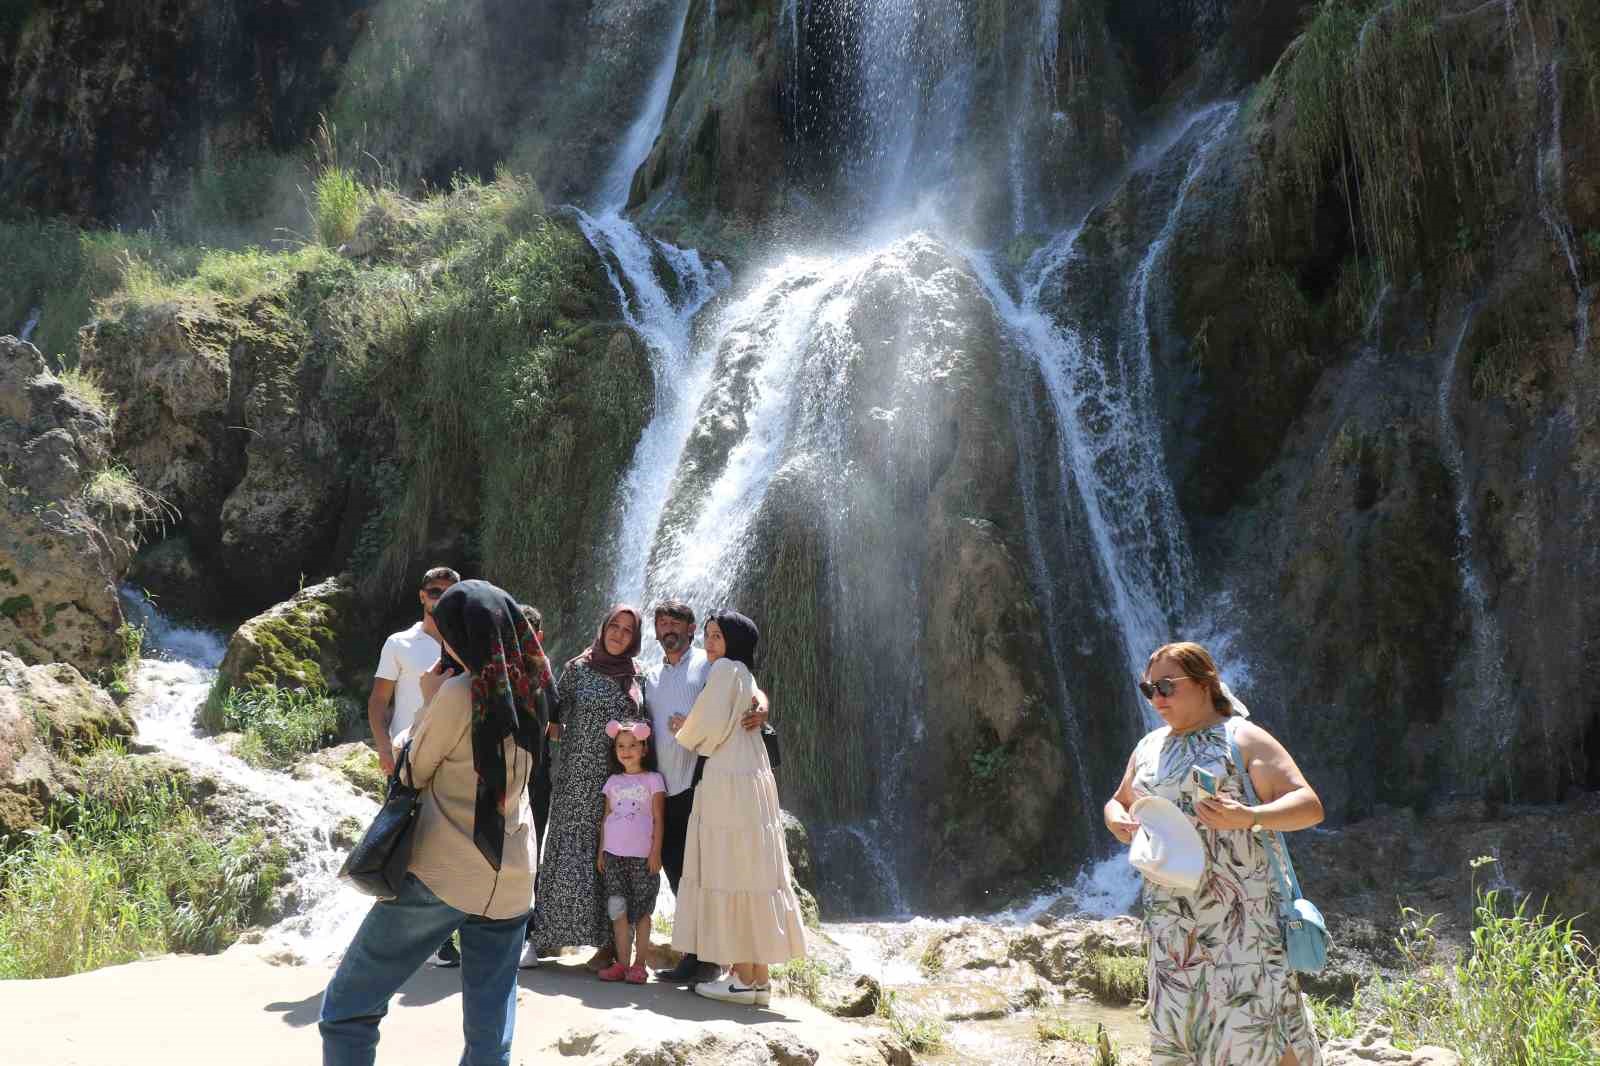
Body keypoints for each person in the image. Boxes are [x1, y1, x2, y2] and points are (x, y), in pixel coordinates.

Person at [320, 580, 549, 1066]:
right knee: (491, 1031)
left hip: (445, 871)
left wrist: (428, 698)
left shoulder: (460, 694)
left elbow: (411, 771)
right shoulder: (535, 688)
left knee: (347, 1008)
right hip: (512, 877)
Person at [1104, 641, 1325, 1066]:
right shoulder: (1148, 747)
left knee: (1259, 1026)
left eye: (1167, 686)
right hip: (1172, 927)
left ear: (1205, 682)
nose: (1157, 699)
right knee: (1184, 1032)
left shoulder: (1242, 738)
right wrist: (1118, 820)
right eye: (1148, 690)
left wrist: (1249, 816)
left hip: (1242, 920)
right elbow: (1119, 800)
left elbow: (1309, 806)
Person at [670, 610, 807, 1006]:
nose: (710, 644)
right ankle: (757, 977)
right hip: (752, 773)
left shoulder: (725, 671)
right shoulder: (743, 673)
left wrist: (683, 729)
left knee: (730, 866)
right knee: (750, 867)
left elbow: (705, 728)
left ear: (734, 643)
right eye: (709, 636)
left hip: (729, 777)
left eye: (717, 636)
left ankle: (743, 979)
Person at [643, 598, 769, 985]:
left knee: (697, 872)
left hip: (697, 785)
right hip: (662, 787)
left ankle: (706, 959)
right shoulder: (648, 673)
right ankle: (697, 953)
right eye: (662, 623)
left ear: (692, 628)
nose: (668, 630)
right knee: (678, 871)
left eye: (676, 623)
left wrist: (762, 707)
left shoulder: (709, 663)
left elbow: (749, 686)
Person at [526, 604, 650, 971]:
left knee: (611, 858)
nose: (619, 635)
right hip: (575, 777)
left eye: (628, 631)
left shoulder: (637, 675)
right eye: (614, 626)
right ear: (603, 627)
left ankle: (609, 946)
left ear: (636, 638)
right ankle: (545, 937)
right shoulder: (578, 669)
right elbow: (553, 717)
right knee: (566, 855)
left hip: (618, 784)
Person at [368, 564, 462, 968]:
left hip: (456, 758)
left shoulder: (468, 640)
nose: (440, 596)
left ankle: (444, 936)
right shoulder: (400, 643)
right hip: (409, 756)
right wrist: (385, 751)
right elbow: (377, 703)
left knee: (452, 845)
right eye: (434, 590)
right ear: (422, 596)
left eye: (448, 591)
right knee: (405, 845)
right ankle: (400, 936)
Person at [595, 720, 666, 984]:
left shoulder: (653, 780)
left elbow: (659, 819)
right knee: (618, 908)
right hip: (613, 855)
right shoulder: (612, 781)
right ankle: (622, 964)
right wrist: (601, 851)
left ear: (644, 748)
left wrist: (655, 852)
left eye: (633, 746)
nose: (626, 751)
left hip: (642, 855)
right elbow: (606, 818)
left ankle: (640, 964)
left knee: (643, 910)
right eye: (620, 746)